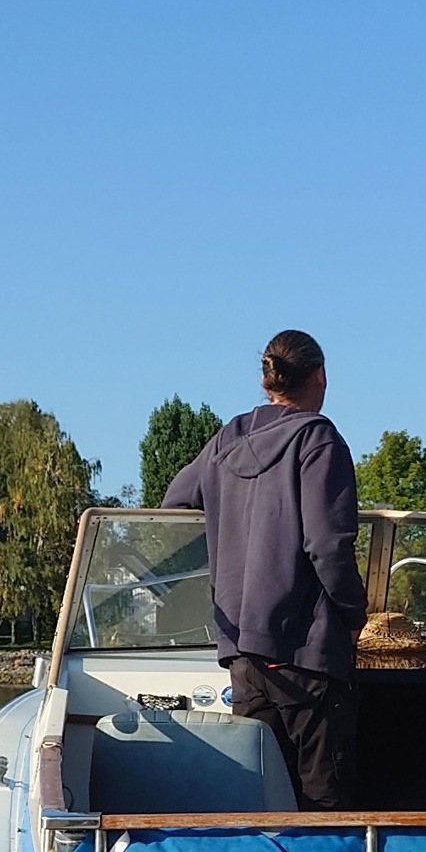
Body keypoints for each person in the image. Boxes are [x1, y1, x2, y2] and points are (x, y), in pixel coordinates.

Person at [161, 329, 364, 809]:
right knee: (325, 798)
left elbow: (175, 505)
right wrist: (355, 614)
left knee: (260, 795)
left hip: (242, 649)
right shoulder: (318, 439)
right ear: (320, 376)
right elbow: (327, 546)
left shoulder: (228, 438)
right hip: (306, 650)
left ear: (266, 379)